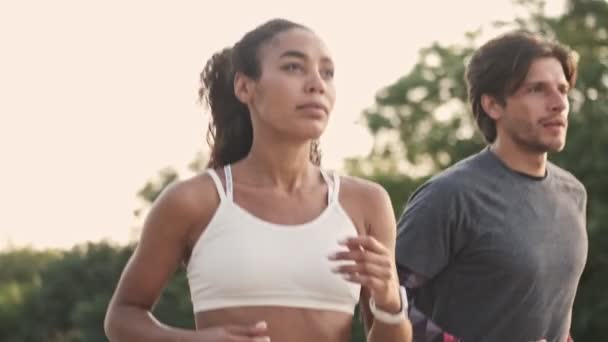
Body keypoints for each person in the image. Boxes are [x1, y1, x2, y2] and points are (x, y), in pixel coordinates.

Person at [104, 18, 412, 342]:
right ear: (244, 87)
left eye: (328, 72)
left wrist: (390, 301)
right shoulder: (193, 201)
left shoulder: (366, 203)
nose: (316, 83)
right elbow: (123, 317)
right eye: (294, 67)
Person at [395, 31, 587, 342]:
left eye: (563, 90)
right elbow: (386, 302)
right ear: (493, 105)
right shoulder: (450, 196)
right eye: (537, 89)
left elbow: (547, 309)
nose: (558, 104)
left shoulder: (573, 194)